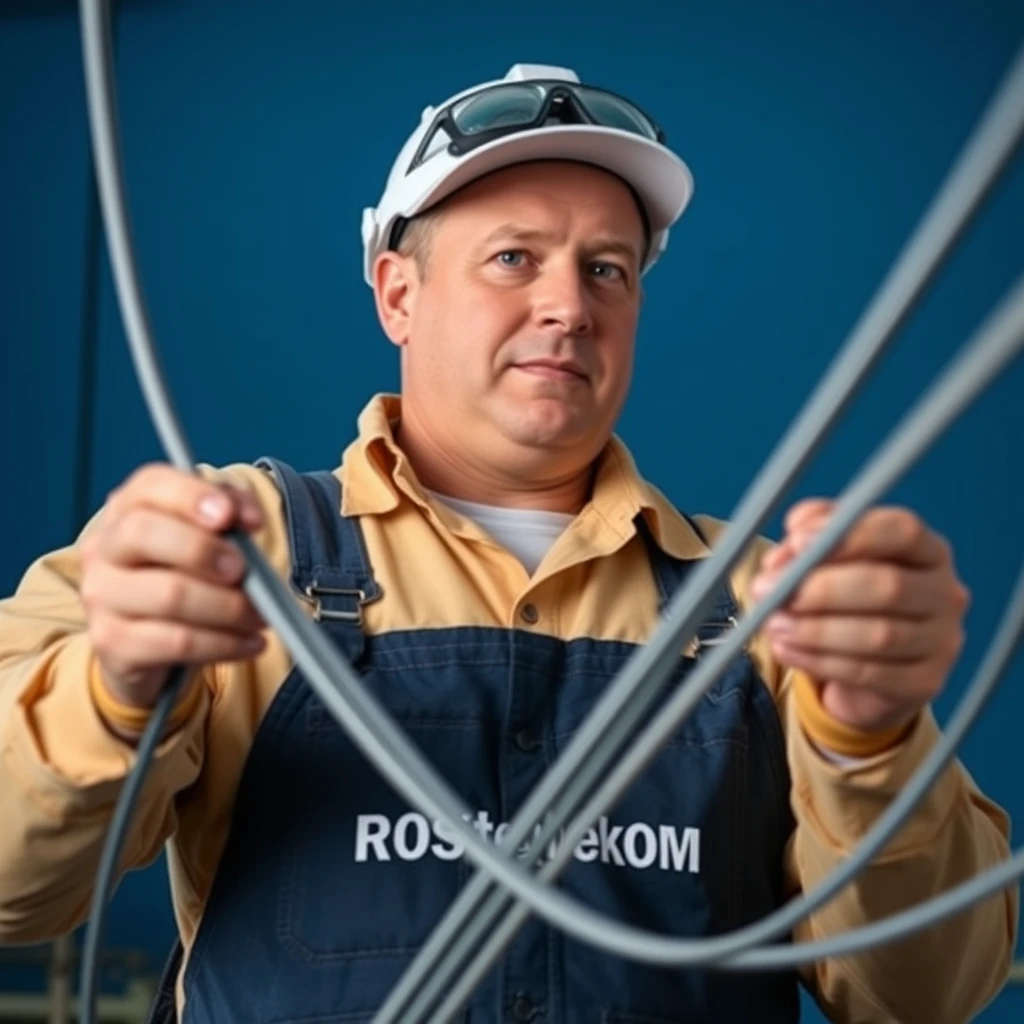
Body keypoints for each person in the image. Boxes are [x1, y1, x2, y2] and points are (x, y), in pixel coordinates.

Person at [0, 62, 1016, 1024]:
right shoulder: (219, 545)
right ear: (398, 294)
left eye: (606, 269)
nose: (569, 305)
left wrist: (871, 738)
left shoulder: (771, 600)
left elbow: (931, 994)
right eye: (513, 257)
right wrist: (115, 685)